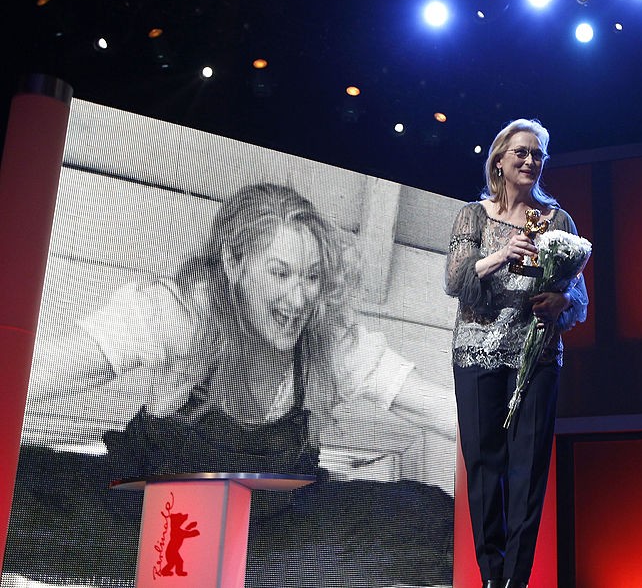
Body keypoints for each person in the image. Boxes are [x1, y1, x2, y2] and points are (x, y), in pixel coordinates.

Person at [14, 182, 455, 586]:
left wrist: (497, 437)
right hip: (145, 518)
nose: (299, 297)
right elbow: (44, 370)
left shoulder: (331, 344)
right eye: (280, 273)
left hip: (268, 532)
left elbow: (438, 408)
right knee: (19, 492)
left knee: (429, 520)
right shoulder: (180, 313)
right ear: (233, 263)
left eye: (312, 277)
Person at [445, 119, 589, 588]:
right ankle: (491, 576)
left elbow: (579, 298)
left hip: (536, 356)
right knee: (483, 465)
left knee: (528, 469)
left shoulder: (558, 222)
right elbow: (455, 280)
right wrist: (502, 254)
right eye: (521, 152)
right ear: (499, 160)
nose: (530, 161)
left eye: (538, 154)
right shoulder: (473, 216)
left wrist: (561, 302)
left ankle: (515, 580)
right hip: (477, 352)